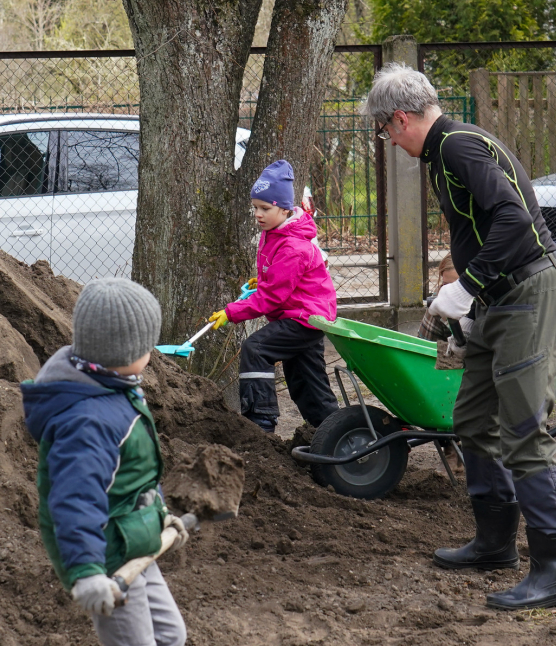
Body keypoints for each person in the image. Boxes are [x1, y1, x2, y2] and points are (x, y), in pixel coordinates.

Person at [363, 63, 556, 611]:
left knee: (523, 429)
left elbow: (512, 217)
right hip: (500, 298)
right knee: (474, 418)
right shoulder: (445, 152)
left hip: (529, 292)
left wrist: (466, 287)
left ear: (400, 118)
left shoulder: (457, 146)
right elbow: (483, 228)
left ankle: (554, 571)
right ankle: (494, 543)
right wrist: (475, 308)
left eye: (385, 131)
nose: (390, 141)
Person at [21, 278, 188, 646]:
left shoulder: (116, 389)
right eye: (147, 347)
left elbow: (135, 474)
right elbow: (75, 500)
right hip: (106, 554)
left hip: (135, 539)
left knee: (170, 635)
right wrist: (87, 571)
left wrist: (160, 515)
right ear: (124, 352)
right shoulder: (88, 422)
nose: (150, 353)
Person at [209, 160, 339, 435]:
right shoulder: (276, 233)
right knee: (306, 379)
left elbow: (271, 298)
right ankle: (331, 431)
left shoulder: (293, 246)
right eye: (255, 207)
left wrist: (231, 312)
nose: (258, 214)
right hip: (303, 314)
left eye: (265, 208)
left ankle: (261, 422)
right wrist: (266, 278)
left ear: (284, 208)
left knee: (256, 348)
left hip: (304, 318)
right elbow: (283, 279)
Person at [418, 252, 459, 342]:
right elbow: (424, 344)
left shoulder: (487, 302)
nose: (449, 292)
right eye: (446, 285)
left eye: (457, 286)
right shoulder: (439, 301)